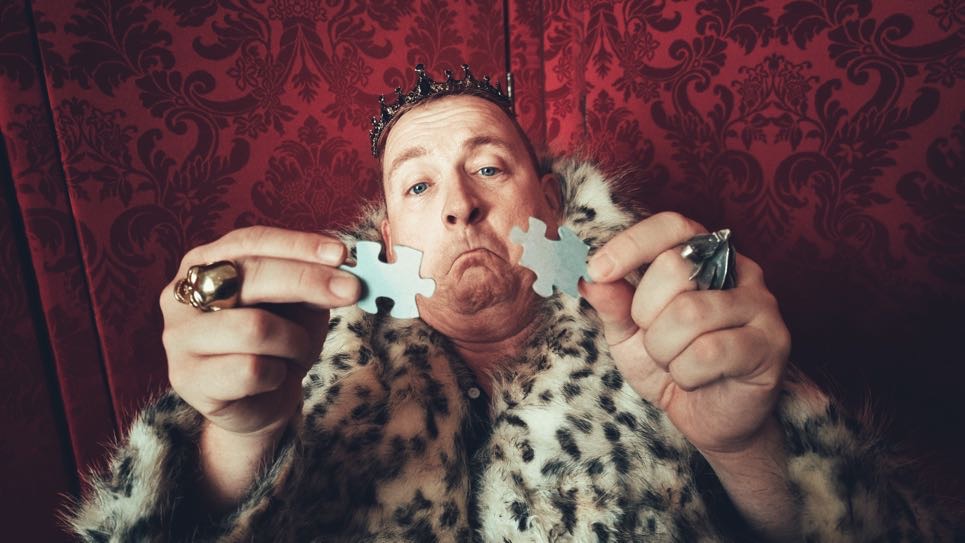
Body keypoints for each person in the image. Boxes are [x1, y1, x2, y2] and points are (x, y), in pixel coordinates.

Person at [64, 65, 955, 542]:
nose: (458, 202)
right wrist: (234, 440)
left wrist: (743, 445)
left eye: (488, 166)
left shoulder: (672, 327)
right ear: (388, 242)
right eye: (418, 185)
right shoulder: (307, 365)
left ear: (551, 207)